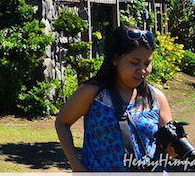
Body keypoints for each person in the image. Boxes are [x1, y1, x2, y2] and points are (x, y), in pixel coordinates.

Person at [55, 24, 177, 171]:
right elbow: (62, 123)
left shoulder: (155, 97)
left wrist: (174, 146)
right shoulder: (93, 93)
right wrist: (76, 166)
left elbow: (169, 142)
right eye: (134, 62)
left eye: (147, 63)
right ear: (115, 59)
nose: (142, 70)